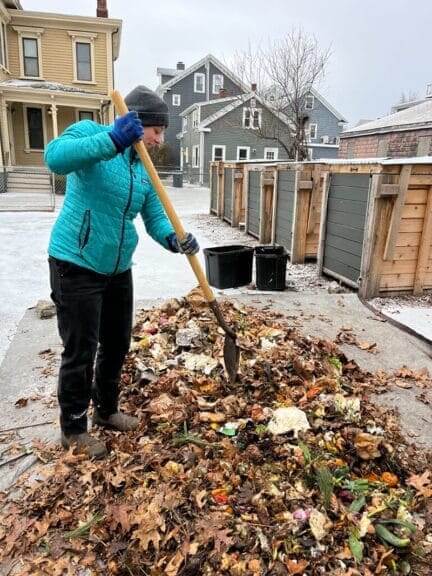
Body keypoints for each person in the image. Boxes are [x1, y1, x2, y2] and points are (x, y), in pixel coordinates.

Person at [45, 85, 199, 458]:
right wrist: (112, 139)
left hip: (117, 268)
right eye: (156, 131)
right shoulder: (91, 135)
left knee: (116, 343)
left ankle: (107, 410)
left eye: (163, 132)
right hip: (75, 262)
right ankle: (73, 428)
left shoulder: (142, 168)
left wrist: (173, 238)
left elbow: (154, 214)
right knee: (81, 349)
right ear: (136, 123)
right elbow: (55, 158)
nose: (160, 140)